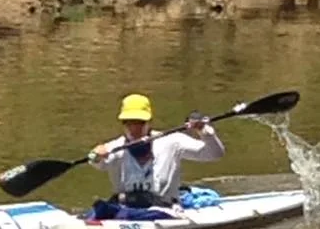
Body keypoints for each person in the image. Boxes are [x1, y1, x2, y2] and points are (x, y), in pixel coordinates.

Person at [86, 93, 225, 220]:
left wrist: (203, 130)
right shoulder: (114, 148)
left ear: (149, 122)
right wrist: (95, 155)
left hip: (164, 210)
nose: (134, 128)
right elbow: (95, 161)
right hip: (125, 209)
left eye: (140, 122)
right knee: (100, 208)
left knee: (124, 213)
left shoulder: (172, 141)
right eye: (129, 122)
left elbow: (214, 154)